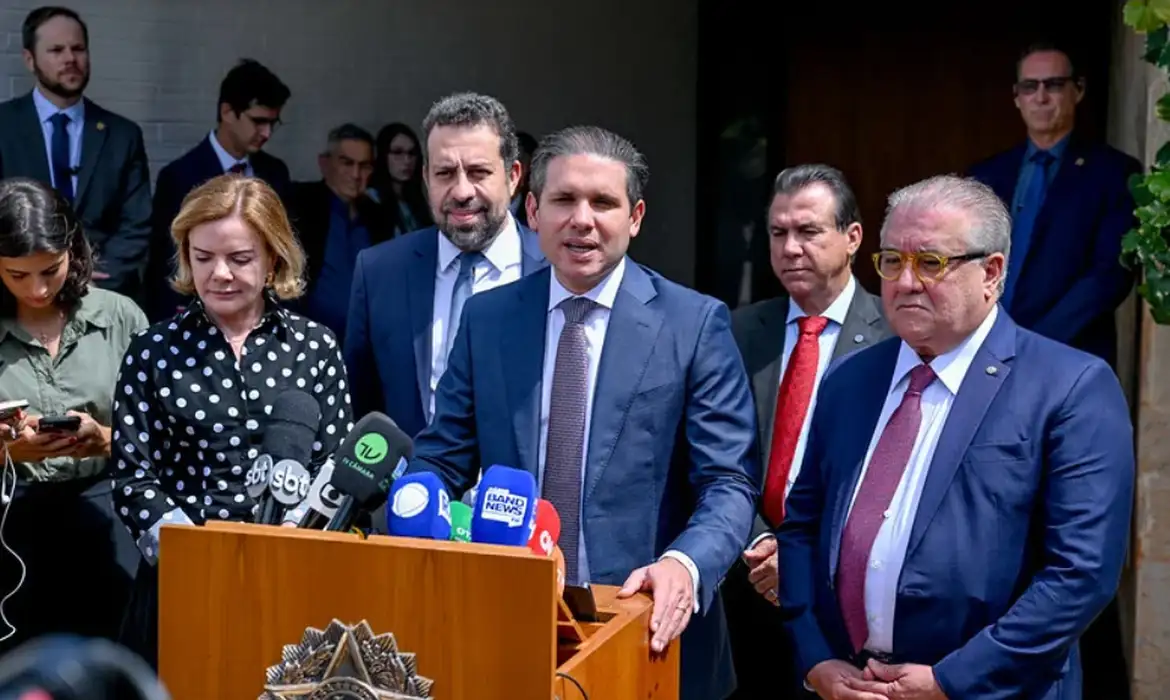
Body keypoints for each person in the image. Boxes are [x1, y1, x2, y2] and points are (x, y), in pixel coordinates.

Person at [404, 125, 759, 700]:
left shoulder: (693, 324)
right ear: (533, 210)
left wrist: (685, 564)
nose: (582, 220)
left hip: (648, 637)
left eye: (603, 203)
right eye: (564, 200)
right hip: (512, 630)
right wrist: (416, 506)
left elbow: (728, 482)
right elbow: (444, 455)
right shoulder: (488, 319)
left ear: (635, 217)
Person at [777, 175, 1134, 700]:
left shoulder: (1069, 387)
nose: (905, 282)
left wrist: (951, 681)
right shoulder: (851, 380)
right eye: (892, 261)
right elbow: (802, 528)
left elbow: (1081, 574)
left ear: (991, 272)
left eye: (930, 262)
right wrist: (815, 659)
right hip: (850, 685)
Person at [110, 174, 353, 668]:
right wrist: (197, 560)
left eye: (239, 259)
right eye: (203, 257)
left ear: (273, 260)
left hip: (294, 583)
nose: (219, 273)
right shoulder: (153, 351)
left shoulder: (315, 347)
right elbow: (134, 478)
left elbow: (337, 468)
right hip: (182, 587)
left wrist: (297, 541)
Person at [726, 164, 890, 698]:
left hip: (847, 601)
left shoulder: (896, 336)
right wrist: (761, 543)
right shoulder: (738, 330)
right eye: (779, 233)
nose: (791, 248)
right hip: (747, 583)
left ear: (853, 237)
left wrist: (800, 559)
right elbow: (718, 456)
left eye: (809, 231)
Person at [0, 177, 147, 656]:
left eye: (51, 270)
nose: (38, 289)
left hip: (107, 512)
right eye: (17, 275)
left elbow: (162, 435)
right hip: (11, 522)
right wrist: (6, 451)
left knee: (113, 658)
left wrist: (106, 438)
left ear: (73, 252)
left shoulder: (121, 317)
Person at [345, 92, 546, 438]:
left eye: (479, 172)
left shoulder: (554, 271)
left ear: (514, 176)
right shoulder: (379, 271)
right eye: (445, 173)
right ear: (426, 178)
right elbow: (361, 405)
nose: (462, 191)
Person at [968, 41, 1141, 368]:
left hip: (1070, 355)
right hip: (986, 353)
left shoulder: (1114, 173)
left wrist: (1030, 342)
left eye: (1054, 85)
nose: (1041, 97)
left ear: (1079, 90)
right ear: (1017, 97)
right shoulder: (986, 176)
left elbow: (1109, 275)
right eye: (1030, 87)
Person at [0, 7, 151, 303]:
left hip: (102, 294)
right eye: (57, 50)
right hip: (18, 295)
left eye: (78, 49)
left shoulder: (123, 135)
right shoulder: (4, 126)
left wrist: (86, 277)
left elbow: (136, 223)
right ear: (30, 59)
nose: (70, 58)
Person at [146, 58, 292, 322]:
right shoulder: (179, 176)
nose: (267, 133)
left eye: (273, 123)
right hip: (195, 317)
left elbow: (282, 249)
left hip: (262, 316)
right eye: (258, 121)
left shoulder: (275, 173)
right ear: (227, 112)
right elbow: (165, 262)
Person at [291, 124, 393, 340]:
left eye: (364, 166)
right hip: (307, 342)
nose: (356, 174)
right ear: (324, 163)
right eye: (347, 163)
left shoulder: (379, 217)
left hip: (365, 342)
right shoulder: (300, 205)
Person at [368, 122, 433, 236]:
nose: (407, 160)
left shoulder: (415, 201)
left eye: (411, 153)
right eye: (397, 152)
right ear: (383, 156)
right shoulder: (371, 200)